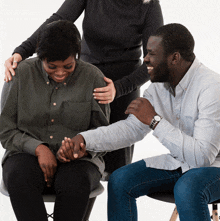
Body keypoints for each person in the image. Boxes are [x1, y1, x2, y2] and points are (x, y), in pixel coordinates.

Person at [3, 0, 163, 174]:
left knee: (117, 171)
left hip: (122, 87)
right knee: (77, 161)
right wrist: (21, 51)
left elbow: (153, 61)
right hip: (83, 81)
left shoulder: (150, 7)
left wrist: (118, 89)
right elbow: (57, 21)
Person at [58, 23, 220, 221]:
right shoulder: (158, 87)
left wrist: (154, 121)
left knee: (187, 187)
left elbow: (202, 158)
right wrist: (85, 139)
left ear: (174, 58)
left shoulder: (211, 87)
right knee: (120, 180)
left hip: (214, 168)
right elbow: (130, 129)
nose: (145, 59)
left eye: (152, 54)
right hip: (180, 162)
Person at [0, 20, 110, 221]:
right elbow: (6, 131)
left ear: (77, 55)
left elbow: (103, 135)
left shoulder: (93, 77)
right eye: (52, 66)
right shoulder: (20, 74)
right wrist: (38, 148)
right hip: (25, 155)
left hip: (80, 162)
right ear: (40, 57)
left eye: (68, 66)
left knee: (74, 183)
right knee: (20, 178)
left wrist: (81, 146)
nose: (60, 73)